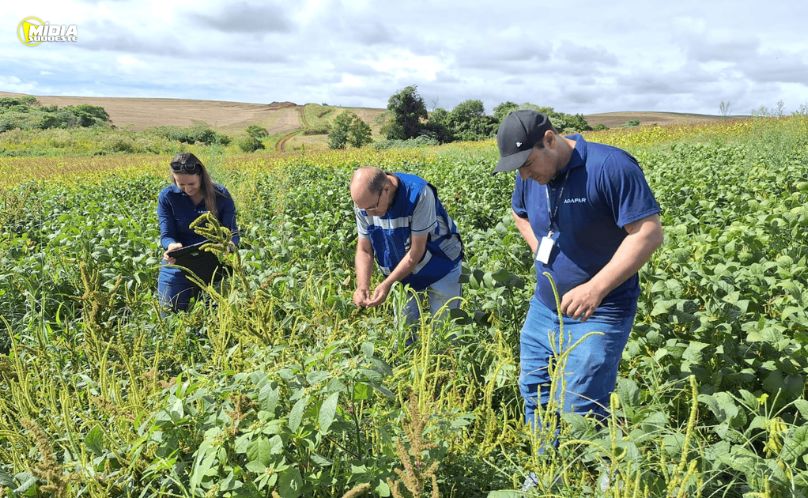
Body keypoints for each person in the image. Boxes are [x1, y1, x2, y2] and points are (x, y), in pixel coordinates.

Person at [493, 110, 664, 427]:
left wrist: (595, 288)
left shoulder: (610, 167)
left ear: (549, 140)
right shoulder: (529, 176)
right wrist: (539, 251)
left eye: (528, 164)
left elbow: (648, 233)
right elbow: (520, 213)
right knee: (534, 391)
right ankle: (544, 470)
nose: (525, 176)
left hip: (599, 311)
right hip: (544, 307)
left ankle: (599, 470)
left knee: (581, 406)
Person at [350, 167, 463, 328]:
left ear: (386, 189)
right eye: (363, 209)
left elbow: (416, 252)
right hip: (402, 272)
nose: (368, 214)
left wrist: (387, 284)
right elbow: (364, 250)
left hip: (441, 263)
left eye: (372, 208)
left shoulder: (419, 194)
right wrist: (362, 286)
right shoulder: (365, 203)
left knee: (444, 328)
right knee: (404, 331)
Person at [157, 152, 239, 312]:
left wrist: (229, 246)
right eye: (180, 184)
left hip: (214, 262)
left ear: (201, 176)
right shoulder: (167, 197)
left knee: (217, 314)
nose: (187, 189)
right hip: (180, 262)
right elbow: (166, 235)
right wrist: (172, 246)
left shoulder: (220, 195)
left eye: (191, 184)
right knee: (169, 312)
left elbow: (232, 232)